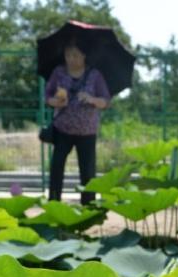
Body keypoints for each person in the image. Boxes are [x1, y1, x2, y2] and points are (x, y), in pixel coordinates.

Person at [45, 40, 111, 204]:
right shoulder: (58, 72)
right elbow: (47, 96)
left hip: (87, 132)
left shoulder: (95, 75)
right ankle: (54, 203)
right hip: (62, 129)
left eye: (75, 55)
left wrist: (92, 99)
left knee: (88, 173)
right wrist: (56, 101)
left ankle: (88, 209)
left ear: (84, 55)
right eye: (68, 55)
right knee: (56, 168)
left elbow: (106, 101)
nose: (71, 59)